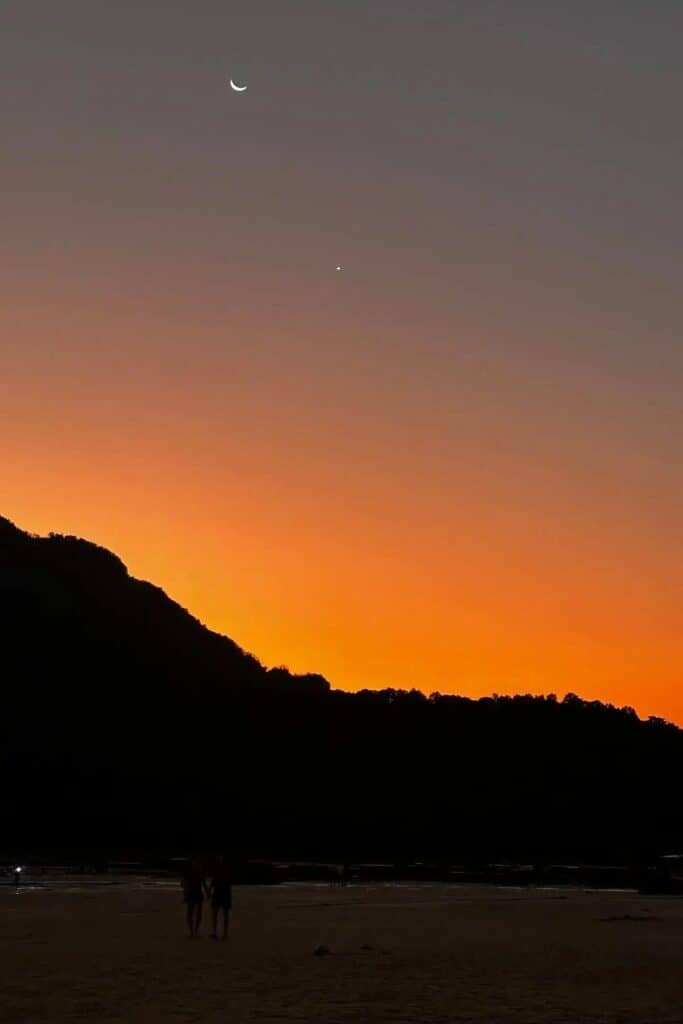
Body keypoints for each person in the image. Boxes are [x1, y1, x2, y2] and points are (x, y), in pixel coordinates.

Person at [181, 856, 207, 938]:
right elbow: (183, 883)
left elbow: (204, 883)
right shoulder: (189, 873)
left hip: (198, 893)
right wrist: (185, 893)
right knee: (190, 913)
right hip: (191, 893)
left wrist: (207, 892)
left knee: (198, 913)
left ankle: (195, 931)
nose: (196, 864)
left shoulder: (200, 872)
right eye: (195, 862)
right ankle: (192, 932)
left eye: (197, 862)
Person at [208, 854, 232, 941]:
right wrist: (209, 890)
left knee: (224, 913)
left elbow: (228, 879)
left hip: (224, 891)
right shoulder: (217, 867)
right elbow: (213, 880)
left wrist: (209, 890)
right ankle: (215, 932)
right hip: (219, 891)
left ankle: (224, 933)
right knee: (216, 912)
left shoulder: (226, 867)